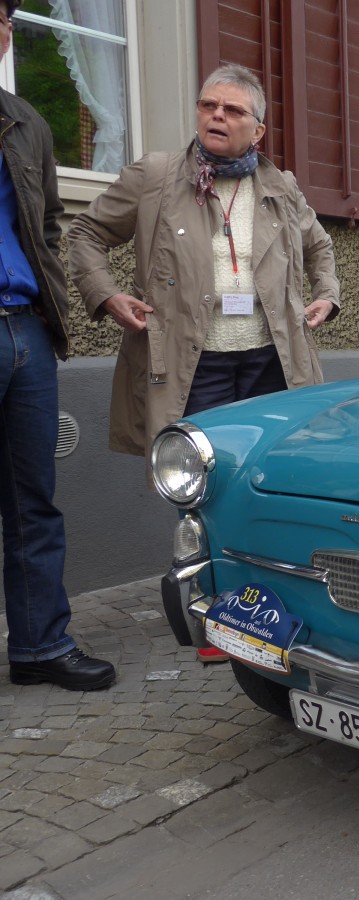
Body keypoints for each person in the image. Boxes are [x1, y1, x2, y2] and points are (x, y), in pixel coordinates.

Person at [67, 63, 340, 662]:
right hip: (198, 363)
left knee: (274, 484)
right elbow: (85, 232)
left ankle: (274, 604)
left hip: (273, 362)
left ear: (258, 130)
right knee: (206, 492)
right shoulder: (157, 176)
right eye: (208, 106)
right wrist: (107, 294)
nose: (216, 116)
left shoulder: (280, 187)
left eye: (233, 110)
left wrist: (327, 294)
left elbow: (320, 245)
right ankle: (217, 614)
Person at [0, 0, 116, 690]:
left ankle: (41, 645)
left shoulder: (26, 121)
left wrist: (52, 317)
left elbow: (46, 227)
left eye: (4, 19)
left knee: (33, 501)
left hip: (24, 332)